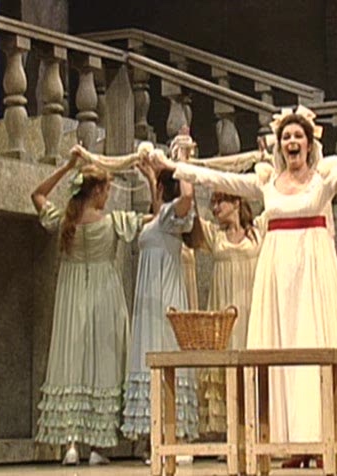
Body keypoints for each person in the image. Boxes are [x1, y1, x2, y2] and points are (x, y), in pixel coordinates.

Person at [149, 105, 337, 466]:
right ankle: (291, 441)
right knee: (281, 351)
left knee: (312, 348)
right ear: (280, 145)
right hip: (277, 276)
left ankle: (319, 438)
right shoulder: (267, 183)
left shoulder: (323, 179)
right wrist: (173, 166)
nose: (292, 141)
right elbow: (219, 179)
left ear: (308, 144)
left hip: (312, 273)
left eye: (298, 136)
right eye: (286, 136)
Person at [31, 148, 152, 465]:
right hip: (104, 294)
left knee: (73, 359)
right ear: (97, 190)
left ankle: (71, 444)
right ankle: (99, 446)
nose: (108, 196)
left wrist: (66, 167)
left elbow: (38, 195)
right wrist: (153, 180)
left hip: (71, 295)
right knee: (103, 361)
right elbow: (156, 218)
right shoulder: (113, 222)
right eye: (107, 190)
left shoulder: (65, 220)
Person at [120, 152, 199, 461]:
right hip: (149, 298)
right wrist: (152, 178)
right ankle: (158, 436)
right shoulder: (162, 218)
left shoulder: (171, 216)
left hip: (164, 297)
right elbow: (158, 210)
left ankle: (175, 437)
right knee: (151, 355)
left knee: (165, 350)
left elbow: (188, 197)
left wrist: (181, 164)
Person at [195, 191, 264, 435]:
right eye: (212, 202)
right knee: (224, 363)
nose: (215, 207)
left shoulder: (258, 231)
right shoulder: (215, 234)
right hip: (223, 310)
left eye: (220, 202)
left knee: (252, 362)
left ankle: (255, 430)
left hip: (251, 309)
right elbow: (190, 214)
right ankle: (231, 434)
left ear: (236, 202)